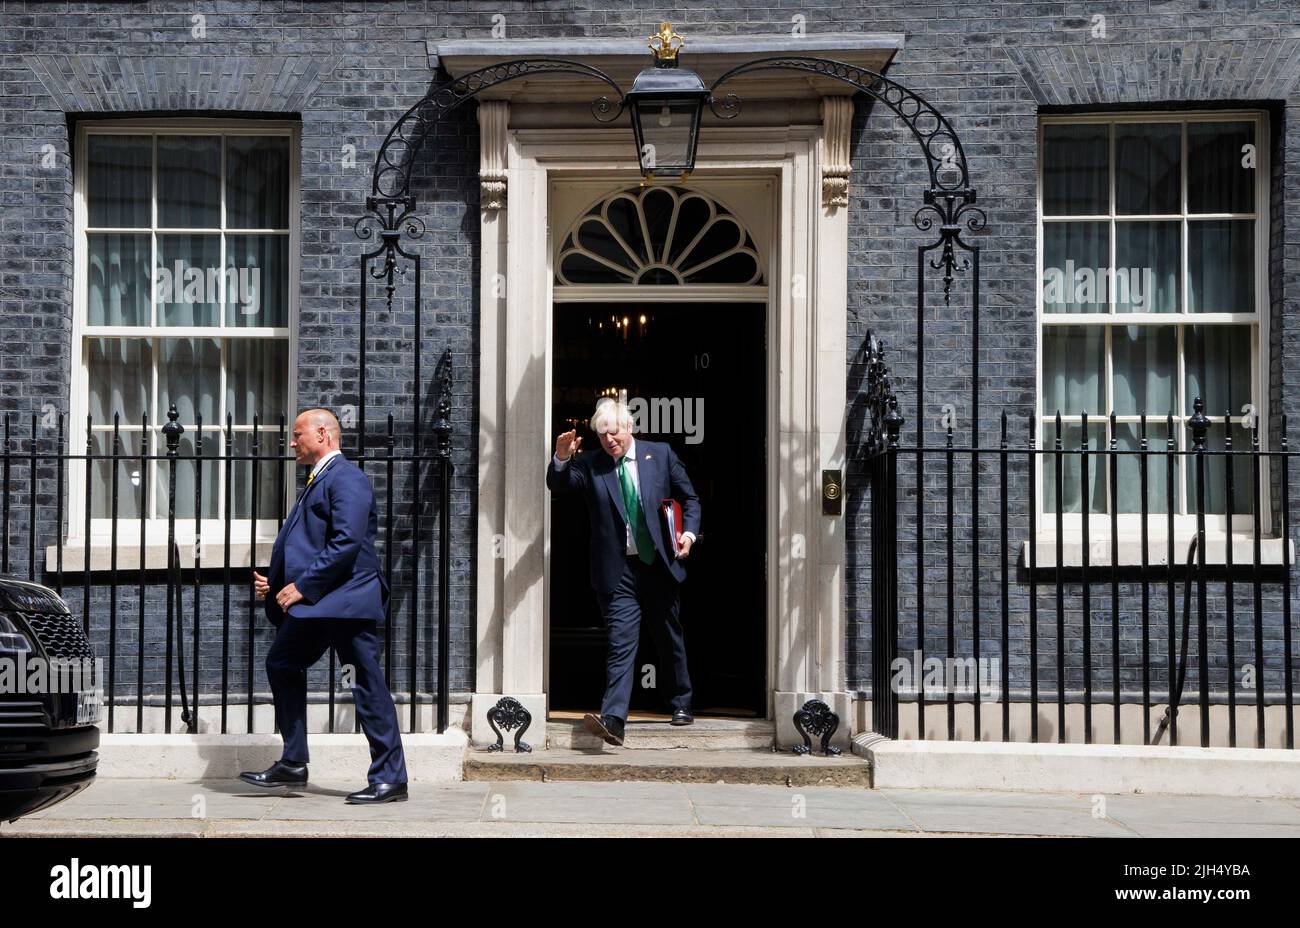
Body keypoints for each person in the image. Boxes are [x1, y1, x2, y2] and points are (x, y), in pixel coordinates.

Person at [241, 408, 408, 803]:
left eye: (298, 435)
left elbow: (346, 542)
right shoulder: (318, 480)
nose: (292, 442)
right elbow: (312, 543)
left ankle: (390, 778)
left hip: (346, 604)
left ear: (323, 434)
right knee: (282, 663)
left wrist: (302, 587)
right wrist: (279, 584)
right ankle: (294, 761)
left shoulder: (346, 478)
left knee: (365, 684)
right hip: (319, 604)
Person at [547, 397, 702, 746]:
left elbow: (690, 498)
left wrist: (688, 534)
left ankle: (681, 702)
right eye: (602, 436)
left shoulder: (659, 454)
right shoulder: (590, 465)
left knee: (668, 636)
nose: (609, 441)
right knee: (621, 644)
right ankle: (614, 719)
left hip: (659, 564)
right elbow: (559, 485)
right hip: (619, 572)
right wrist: (560, 457)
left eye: (613, 433)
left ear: (628, 427)